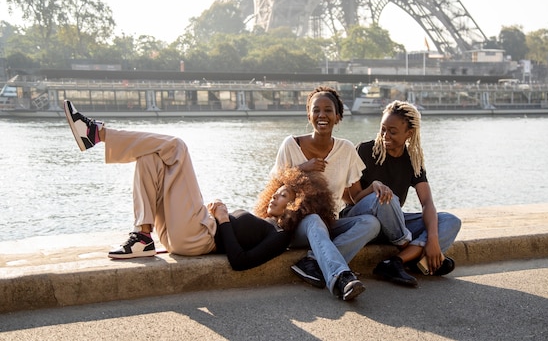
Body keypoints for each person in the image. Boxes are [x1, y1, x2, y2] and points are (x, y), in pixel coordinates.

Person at [63, 99, 335, 271]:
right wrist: (216, 213)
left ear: (298, 204)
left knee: (176, 147)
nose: (275, 196)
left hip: (198, 239)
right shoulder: (263, 217)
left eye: (284, 194)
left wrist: (224, 220)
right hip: (188, 232)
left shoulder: (280, 236)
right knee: (150, 158)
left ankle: (97, 133)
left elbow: (240, 262)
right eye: (276, 191)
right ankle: (143, 236)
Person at [271, 86, 381, 301]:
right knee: (313, 220)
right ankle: (341, 278)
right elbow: (274, 190)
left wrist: (375, 185)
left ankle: (311, 261)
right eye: (316, 110)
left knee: (371, 223)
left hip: (328, 224)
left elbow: (355, 197)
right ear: (309, 115)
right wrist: (304, 168)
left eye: (328, 110)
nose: (322, 115)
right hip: (295, 225)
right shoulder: (291, 145)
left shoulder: (346, 149)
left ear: (338, 117)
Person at [352, 100, 461, 283]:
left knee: (450, 221)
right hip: (365, 220)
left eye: (393, 132)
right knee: (388, 197)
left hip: (395, 223)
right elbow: (354, 199)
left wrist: (433, 239)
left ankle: (395, 262)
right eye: (383, 129)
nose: (385, 135)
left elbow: (427, 203)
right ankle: (416, 256)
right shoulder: (364, 150)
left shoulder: (413, 159)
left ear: (409, 134)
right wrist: (374, 188)